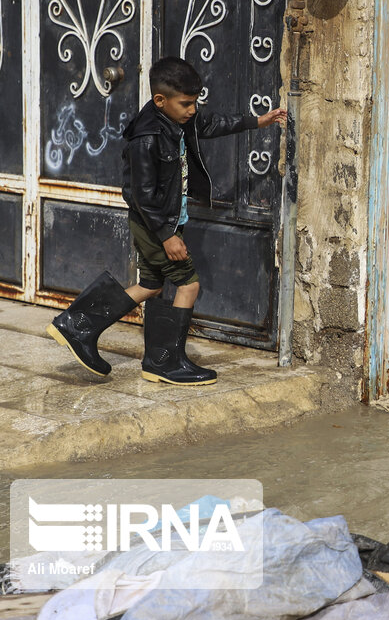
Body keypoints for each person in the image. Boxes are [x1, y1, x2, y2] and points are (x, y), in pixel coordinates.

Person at [46, 56, 287, 386]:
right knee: (188, 284)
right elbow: (141, 195)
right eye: (186, 103)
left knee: (151, 285)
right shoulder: (147, 138)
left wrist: (258, 121)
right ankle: (165, 361)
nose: (192, 110)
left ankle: (79, 326)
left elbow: (210, 124)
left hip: (158, 223)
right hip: (153, 225)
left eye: (194, 103)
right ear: (160, 100)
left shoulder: (176, 119)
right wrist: (167, 235)